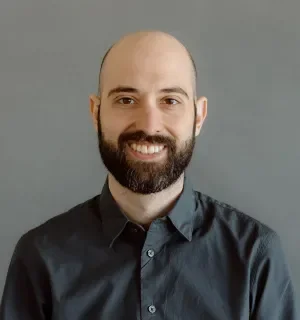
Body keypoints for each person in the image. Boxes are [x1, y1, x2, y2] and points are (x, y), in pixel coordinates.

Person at [0, 31, 298, 320]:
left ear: (199, 116)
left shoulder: (255, 255)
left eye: (170, 101)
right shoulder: (40, 256)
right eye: (126, 100)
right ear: (95, 112)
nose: (149, 124)